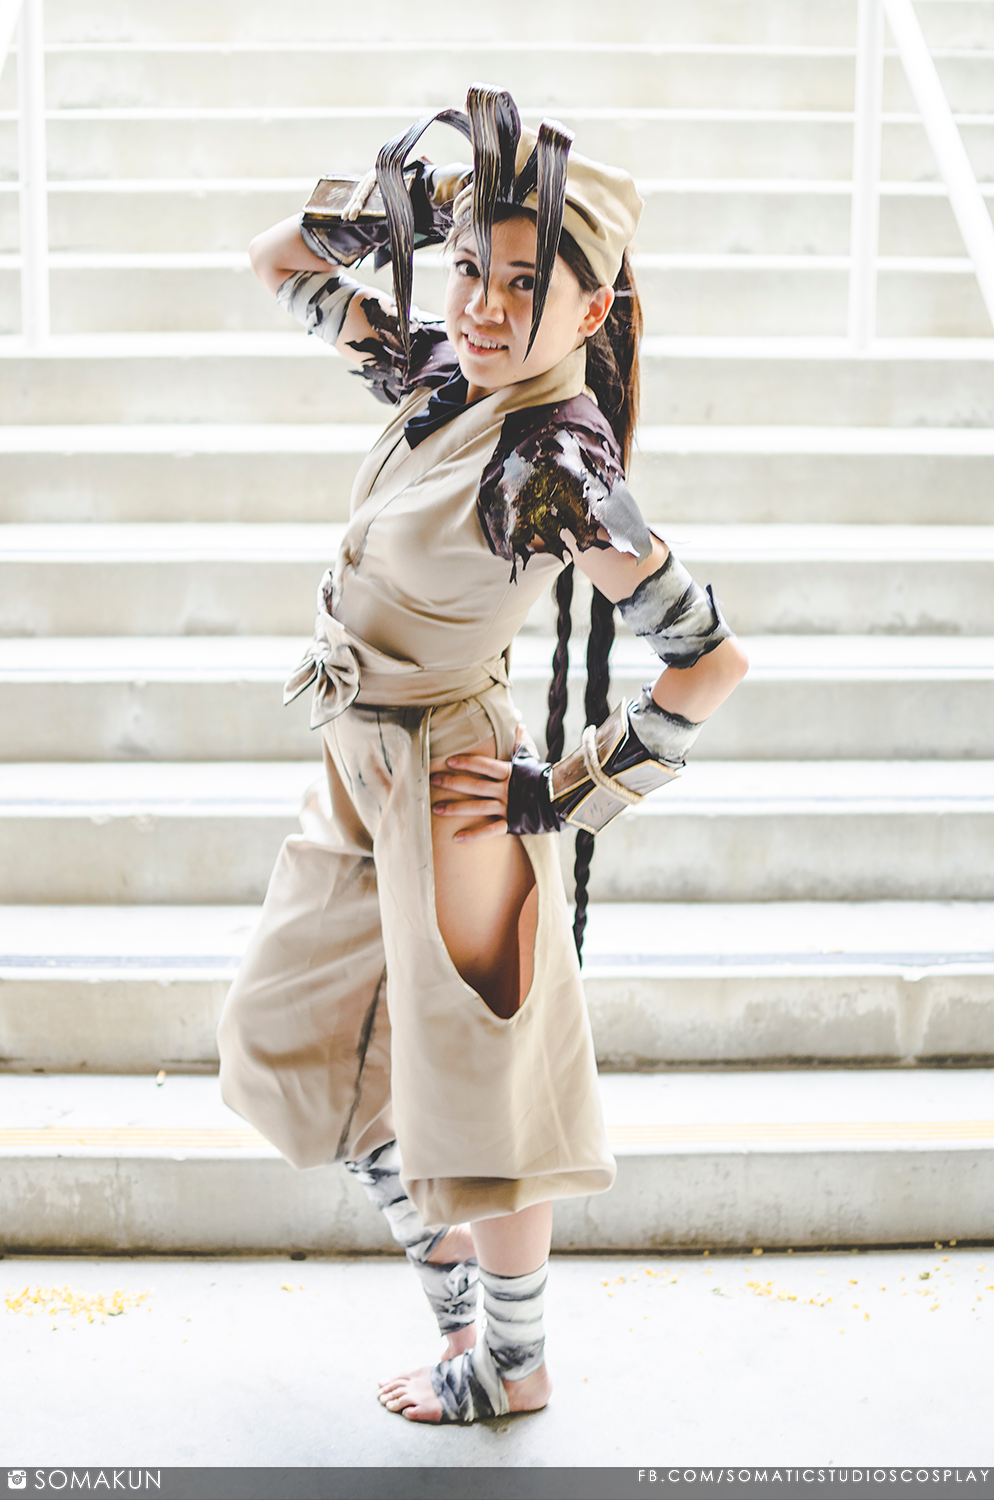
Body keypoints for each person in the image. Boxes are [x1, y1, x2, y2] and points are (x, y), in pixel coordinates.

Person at [216, 86, 748, 1425]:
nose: (486, 304)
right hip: (358, 767)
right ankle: (460, 1304)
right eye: (469, 270)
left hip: (456, 782)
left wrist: (564, 792)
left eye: (525, 283)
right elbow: (273, 263)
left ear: (591, 308)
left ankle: (508, 1362)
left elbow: (707, 659)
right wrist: (396, 214)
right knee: (287, 1041)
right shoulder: (445, 373)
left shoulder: (554, 461)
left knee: (483, 1101)